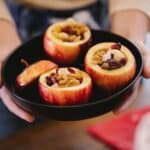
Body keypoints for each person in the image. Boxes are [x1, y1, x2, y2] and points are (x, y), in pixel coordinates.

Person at [0, 0, 150, 139]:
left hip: (110, 15)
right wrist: (3, 49)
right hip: (12, 23)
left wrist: (130, 37)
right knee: (24, 137)